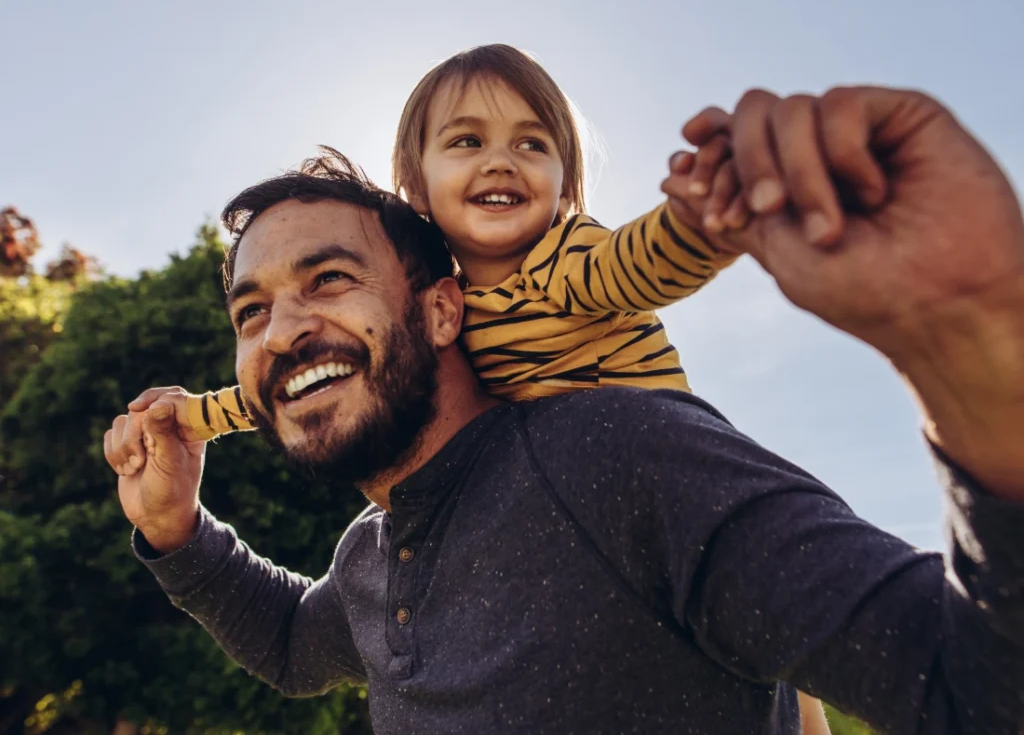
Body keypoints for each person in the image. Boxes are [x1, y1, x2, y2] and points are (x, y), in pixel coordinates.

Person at [105, 84, 1024, 733]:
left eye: (330, 279)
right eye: (251, 312)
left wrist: (976, 355)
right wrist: (178, 532)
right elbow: (291, 649)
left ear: (440, 308)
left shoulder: (618, 452)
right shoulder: (370, 558)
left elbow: (976, 691)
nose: (282, 333)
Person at [159, 44, 745, 441]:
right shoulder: (444, 313)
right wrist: (192, 416)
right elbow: (306, 373)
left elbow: (638, 265)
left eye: (532, 145)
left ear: (564, 191)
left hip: (674, 460)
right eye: (467, 142)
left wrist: (699, 224)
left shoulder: (567, 255)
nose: (500, 162)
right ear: (415, 187)